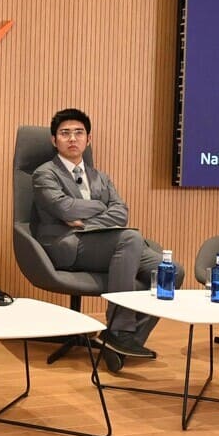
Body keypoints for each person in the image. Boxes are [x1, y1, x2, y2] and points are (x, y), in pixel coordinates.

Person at [31, 108, 175, 374]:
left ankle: (119, 341)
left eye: (79, 133)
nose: (72, 138)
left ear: (89, 139)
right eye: (65, 133)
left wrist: (87, 218)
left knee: (170, 274)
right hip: (66, 244)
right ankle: (120, 329)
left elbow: (121, 211)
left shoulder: (100, 176)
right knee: (130, 237)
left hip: (100, 241)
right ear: (54, 140)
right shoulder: (45, 174)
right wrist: (100, 207)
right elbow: (64, 209)